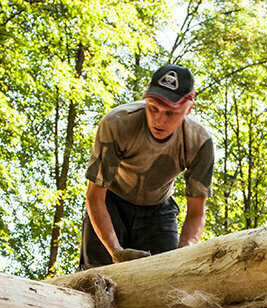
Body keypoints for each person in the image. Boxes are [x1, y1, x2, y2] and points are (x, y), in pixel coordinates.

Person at [80, 63, 215, 270]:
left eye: (170, 113)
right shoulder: (117, 124)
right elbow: (95, 196)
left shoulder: (199, 143)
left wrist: (183, 253)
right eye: (153, 108)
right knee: (96, 277)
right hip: (111, 203)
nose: (159, 120)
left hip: (159, 212)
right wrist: (115, 251)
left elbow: (196, 213)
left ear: (189, 108)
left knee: (168, 279)